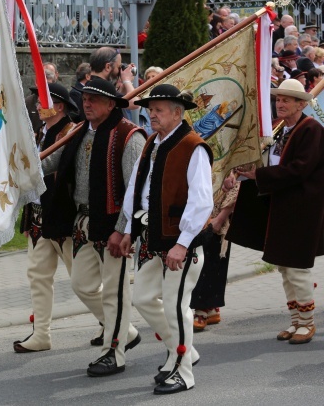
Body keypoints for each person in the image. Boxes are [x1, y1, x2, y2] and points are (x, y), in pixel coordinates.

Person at [42, 77, 145, 377]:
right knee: (82, 285)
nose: (86, 103)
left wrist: (123, 230)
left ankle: (114, 352)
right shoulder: (77, 133)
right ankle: (126, 331)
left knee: (114, 292)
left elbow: (135, 189)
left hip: (114, 225)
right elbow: (52, 163)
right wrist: (21, 166)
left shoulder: (129, 137)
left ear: (111, 104)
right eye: (85, 98)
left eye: (94, 99)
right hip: (83, 222)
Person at [120, 84, 213, 395]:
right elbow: (136, 188)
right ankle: (182, 350)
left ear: (178, 113)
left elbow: (202, 202)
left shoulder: (193, 146)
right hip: (151, 237)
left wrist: (183, 243)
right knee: (143, 298)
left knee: (176, 307)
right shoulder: (151, 143)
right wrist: (128, 231)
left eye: (159, 109)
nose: (152, 113)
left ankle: (184, 371)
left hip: (179, 243)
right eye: (150, 108)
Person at [226, 79, 324, 345]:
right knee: (283, 266)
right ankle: (295, 321)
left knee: (297, 267)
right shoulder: (282, 130)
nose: (280, 104)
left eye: (286, 100)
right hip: (281, 207)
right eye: (278, 99)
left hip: (301, 210)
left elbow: (299, 170)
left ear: (301, 104)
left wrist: (258, 174)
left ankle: (307, 322)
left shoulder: (311, 130)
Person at [14, 83, 84, 353]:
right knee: (38, 275)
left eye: (45, 100)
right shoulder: (39, 132)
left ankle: (115, 326)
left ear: (60, 106)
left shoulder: (70, 132)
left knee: (82, 280)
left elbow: (48, 170)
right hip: (38, 215)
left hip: (62, 216)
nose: (37, 105)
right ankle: (41, 333)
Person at [191, 180, 240, 331]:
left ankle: (201, 311)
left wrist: (220, 218)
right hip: (199, 214)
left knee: (210, 262)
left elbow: (235, 186)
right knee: (204, 261)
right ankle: (211, 308)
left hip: (218, 215)